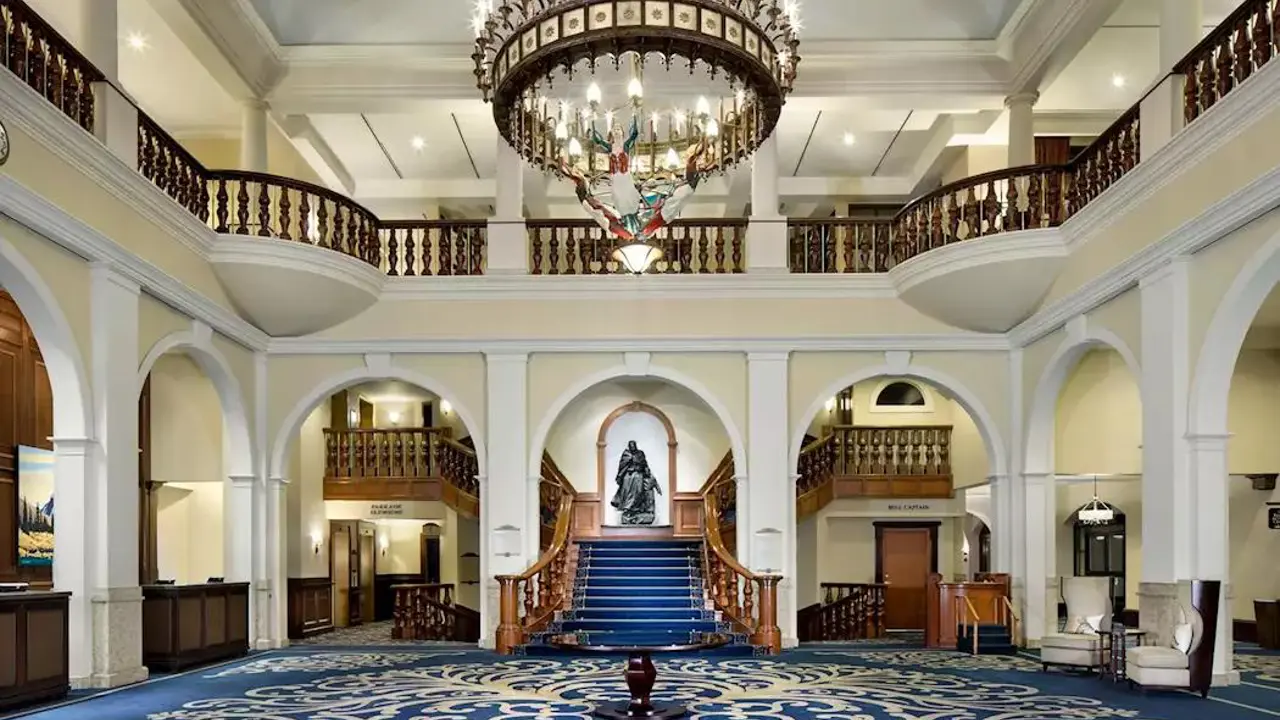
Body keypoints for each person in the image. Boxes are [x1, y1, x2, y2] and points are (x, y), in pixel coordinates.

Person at [590, 116, 643, 219]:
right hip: (615, 177)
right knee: (618, 198)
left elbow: (634, 134)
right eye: (614, 130)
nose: (616, 131)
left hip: (625, 176)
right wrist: (593, 123)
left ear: (622, 132)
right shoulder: (610, 147)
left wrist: (635, 116)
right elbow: (597, 140)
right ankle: (623, 215)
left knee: (629, 197)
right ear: (612, 133)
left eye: (618, 129)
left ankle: (632, 212)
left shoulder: (626, 145)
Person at [610, 440, 661, 525]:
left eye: (633, 446)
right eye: (631, 446)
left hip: (638, 474)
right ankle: (628, 509)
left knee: (639, 490)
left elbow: (645, 464)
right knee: (627, 486)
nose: (632, 447)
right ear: (629, 447)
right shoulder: (626, 454)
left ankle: (637, 509)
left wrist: (645, 470)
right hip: (629, 475)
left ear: (636, 446)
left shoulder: (640, 454)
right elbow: (622, 467)